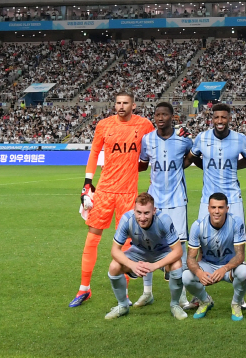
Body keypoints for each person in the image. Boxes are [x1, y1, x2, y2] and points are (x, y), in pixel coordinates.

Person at [69, 91, 154, 308]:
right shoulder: (104, 125)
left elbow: (158, 143)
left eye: (126, 103)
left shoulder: (144, 125)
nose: (121, 106)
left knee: (126, 243)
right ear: (114, 105)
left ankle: (123, 293)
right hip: (105, 191)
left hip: (128, 193)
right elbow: (94, 153)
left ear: (133, 106)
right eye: (118, 103)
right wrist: (87, 183)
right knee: (92, 238)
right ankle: (84, 289)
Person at [136, 101, 193, 309]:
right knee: (146, 244)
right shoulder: (147, 139)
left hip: (177, 201)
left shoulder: (183, 140)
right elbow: (143, 162)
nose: (160, 118)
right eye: (157, 115)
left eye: (164, 115)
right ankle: (147, 292)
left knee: (180, 248)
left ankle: (182, 297)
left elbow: (191, 157)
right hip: (155, 201)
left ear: (172, 117)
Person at [185, 103, 246, 226]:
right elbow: (190, 159)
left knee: (237, 239)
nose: (220, 121)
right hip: (208, 199)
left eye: (223, 117)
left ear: (230, 119)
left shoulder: (239, 139)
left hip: (233, 199)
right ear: (212, 119)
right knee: (204, 239)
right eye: (216, 117)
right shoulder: (202, 138)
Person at [105, 192, 186, 321]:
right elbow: (115, 250)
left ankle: (175, 305)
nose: (142, 218)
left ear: (154, 210)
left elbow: (178, 251)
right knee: (114, 266)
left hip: (161, 253)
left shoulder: (164, 220)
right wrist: (132, 265)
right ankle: (123, 305)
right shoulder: (127, 219)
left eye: (146, 213)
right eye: (139, 212)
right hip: (138, 253)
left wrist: (155, 265)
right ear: (134, 210)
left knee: (177, 265)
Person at [182, 192, 246, 322]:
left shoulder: (236, 222)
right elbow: (190, 258)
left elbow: (240, 255)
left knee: (244, 272)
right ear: (208, 208)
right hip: (208, 266)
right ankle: (205, 301)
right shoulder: (198, 226)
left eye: (220, 207)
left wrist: (224, 269)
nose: (216, 211)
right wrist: (199, 273)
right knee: (186, 276)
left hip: (229, 266)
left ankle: (236, 303)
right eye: (213, 207)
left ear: (227, 209)